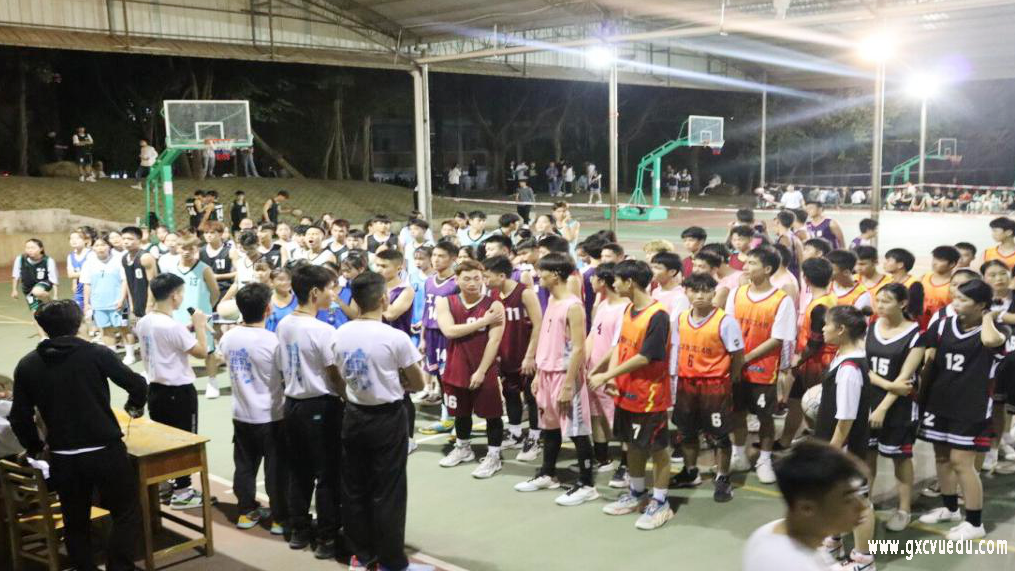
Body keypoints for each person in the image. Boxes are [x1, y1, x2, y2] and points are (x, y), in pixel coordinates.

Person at [10, 300, 146, 571]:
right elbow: (137, 384)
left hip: (64, 457)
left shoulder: (28, 364)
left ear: (43, 327)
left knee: (75, 520)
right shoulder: (96, 354)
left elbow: (19, 417)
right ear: (78, 324)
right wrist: (134, 405)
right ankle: (119, 566)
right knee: (126, 511)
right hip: (105, 451)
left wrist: (35, 447)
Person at [330, 272, 432, 571]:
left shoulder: (339, 333)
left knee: (354, 487)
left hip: (354, 414)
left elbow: (334, 375)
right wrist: (399, 381)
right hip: (386, 417)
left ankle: (360, 555)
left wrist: (349, 394)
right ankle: (392, 562)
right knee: (388, 490)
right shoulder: (394, 337)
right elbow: (419, 382)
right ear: (384, 298)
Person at [917, 278, 1005, 541]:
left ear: (981, 305)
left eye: (963, 300)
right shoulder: (943, 325)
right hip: (940, 401)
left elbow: (991, 341)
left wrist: (988, 317)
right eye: (955, 297)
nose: (955, 303)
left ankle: (975, 523)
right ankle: (950, 508)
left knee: (962, 463)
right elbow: (927, 357)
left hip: (971, 406)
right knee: (942, 458)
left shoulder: (995, 330)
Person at [588, 260, 672, 528]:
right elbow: (620, 345)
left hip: (650, 396)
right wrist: (607, 373)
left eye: (617, 280)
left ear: (630, 282)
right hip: (626, 392)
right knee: (631, 444)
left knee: (657, 449)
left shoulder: (658, 315)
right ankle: (637, 494)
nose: (613, 284)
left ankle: (661, 502)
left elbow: (646, 356)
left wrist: (606, 376)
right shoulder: (628, 309)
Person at [514, 252, 597, 506]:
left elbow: (579, 348)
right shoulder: (551, 299)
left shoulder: (573, 306)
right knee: (549, 427)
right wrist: (539, 373)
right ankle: (548, 473)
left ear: (557, 275)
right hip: (547, 374)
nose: (538, 275)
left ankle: (587, 484)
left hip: (565, 376)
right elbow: (548, 339)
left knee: (577, 431)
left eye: (543, 271)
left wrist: (569, 384)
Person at [276, 264, 344, 558]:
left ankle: (300, 530)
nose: (334, 294)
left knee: (299, 471)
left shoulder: (284, 323)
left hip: (292, 404)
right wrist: (347, 397)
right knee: (327, 473)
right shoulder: (322, 330)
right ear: (315, 292)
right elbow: (333, 373)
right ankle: (327, 537)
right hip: (320, 406)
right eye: (330, 288)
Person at [218, 283, 288, 534]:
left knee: (244, 466)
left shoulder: (228, 338)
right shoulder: (273, 341)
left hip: (241, 414)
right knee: (275, 470)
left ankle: (246, 512)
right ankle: (279, 518)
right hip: (272, 415)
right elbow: (285, 375)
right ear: (268, 309)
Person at [669, 273, 745, 502]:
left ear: (714, 293)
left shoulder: (725, 321)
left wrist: (731, 378)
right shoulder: (681, 319)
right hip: (686, 383)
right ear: (686, 292)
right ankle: (691, 471)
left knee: (719, 435)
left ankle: (722, 477)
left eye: (705, 291)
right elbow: (676, 349)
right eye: (694, 290)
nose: (700, 295)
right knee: (686, 432)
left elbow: (737, 354)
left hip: (714, 385)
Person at [136, 274, 209, 509]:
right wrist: (199, 326)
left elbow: (168, 340)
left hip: (156, 390)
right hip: (179, 392)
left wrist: (187, 328)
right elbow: (201, 352)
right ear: (174, 295)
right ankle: (183, 491)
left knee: (164, 441)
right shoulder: (172, 326)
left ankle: (165, 485)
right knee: (185, 441)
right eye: (181, 293)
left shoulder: (145, 321)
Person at [813, 305, 877, 570]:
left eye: (827, 324)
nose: (823, 329)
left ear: (841, 329)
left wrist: (832, 452)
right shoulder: (844, 356)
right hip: (839, 445)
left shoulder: (850, 368)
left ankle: (863, 560)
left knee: (859, 502)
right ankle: (834, 541)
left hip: (845, 449)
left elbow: (846, 419)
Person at [726, 247, 796, 484]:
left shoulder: (781, 300)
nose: (745, 267)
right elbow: (727, 328)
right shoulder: (736, 294)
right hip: (736, 366)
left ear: (767, 269)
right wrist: (734, 358)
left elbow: (777, 338)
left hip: (763, 369)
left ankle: (764, 459)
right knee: (737, 412)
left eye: (751, 263)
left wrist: (744, 358)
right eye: (746, 263)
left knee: (765, 417)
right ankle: (738, 455)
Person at [742, 441, 869, 571]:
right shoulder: (798, 565)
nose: (862, 506)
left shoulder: (766, 534)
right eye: (848, 498)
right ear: (807, 509)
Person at [434, 260, 507, 478]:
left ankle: (494, 456)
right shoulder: (445, 302)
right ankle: (463, 448)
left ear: (483, 279)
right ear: (457, 280)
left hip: (484, 368)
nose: (472, 283)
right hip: (456, 366)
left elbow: (494, 341)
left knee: (492, 414)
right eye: (466, 279)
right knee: (461, 413)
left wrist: (482, 371)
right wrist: (481, 322)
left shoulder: (494, 305)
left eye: (477, 278)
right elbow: (449, 331)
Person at [866, 283, 924, 533]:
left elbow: (905, 380)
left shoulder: (916, 335)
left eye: (886, 301)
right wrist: (888, 385)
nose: (880, 305)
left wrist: (883, 407)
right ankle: (865, 501)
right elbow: (865, 368)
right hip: (870, 400)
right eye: (878, 300)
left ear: (902, 303)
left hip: (899, 406)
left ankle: (903, 509)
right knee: (867, 454)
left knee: (900, 458)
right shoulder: (870, 327)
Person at [483, 256, 543, 459]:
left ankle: (535, 437)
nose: (485, 280)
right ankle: (515, 432)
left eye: (487, 276)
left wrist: (530, 356)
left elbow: (539, 325)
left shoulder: (525, 293)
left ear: (501, 276)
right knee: (510, 394)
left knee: (532, 397)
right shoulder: (493, 294)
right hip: (505, 356)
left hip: (525, 355)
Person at [778, 258, 836, 451]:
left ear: (806, 278)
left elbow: (815, 342)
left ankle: (817, 445)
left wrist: (798, 359)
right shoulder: (830, 298)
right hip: (811, 361)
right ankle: (787, 440)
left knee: (813, 405)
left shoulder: (819, 306)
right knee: (796, 402)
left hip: (815, 363)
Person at [166, 233, 221, 398]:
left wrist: (205, 310)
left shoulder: (204, 269)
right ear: (177, 248)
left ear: (196, 249)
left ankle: (212, 382)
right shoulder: (171, 269)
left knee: (208, 351)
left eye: (191, 248)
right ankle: (179, 382)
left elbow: (215, 292)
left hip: (200, 318)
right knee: (177, 351)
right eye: (183, 248)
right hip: (178, 317)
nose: (186, 252)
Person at [418, 241, 459, 433]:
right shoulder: (429, 281)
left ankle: (460, 419)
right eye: (434, 255)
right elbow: (426, 312)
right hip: (432, 335)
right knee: (440, 379)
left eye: (441, 256)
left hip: (449, 335)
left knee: (453, 378)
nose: (436, 259)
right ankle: (446, 418)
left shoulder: (457, 282)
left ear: (453, 259)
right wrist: (423, 338)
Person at [81, 233, 127, 350]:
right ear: (92, 248)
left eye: (103, 245)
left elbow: (124, 281)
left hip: (118, 302)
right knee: (106, 330)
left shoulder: (119, 260)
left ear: (109, 246)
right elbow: (87, 284)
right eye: (97, 245)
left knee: (124, 328)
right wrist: (86, 303)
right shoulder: (88, 263)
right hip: (99, 304)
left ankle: (130, 355)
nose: (100, 248)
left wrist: (122, 299)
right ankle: (112, 355)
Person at [11, 238, 58, 313]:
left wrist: (55, 295)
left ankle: (50, 303)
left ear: (41, 249)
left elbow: (53, 279)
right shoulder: (20, 259)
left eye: (33, 248)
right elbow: (15, 275)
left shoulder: (48, 260)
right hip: (28, 289)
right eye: (27, 248)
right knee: (36, 314)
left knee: (37, 291)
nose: (30, 250)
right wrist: (14, 290)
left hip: (44, 282)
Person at [919, 246, 959, 330]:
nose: (934, 263)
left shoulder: (955, 285)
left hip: (942, 327)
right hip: (920, 325)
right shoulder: (924, 278)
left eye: (940, 260)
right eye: (934, 259)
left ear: (952, 264)